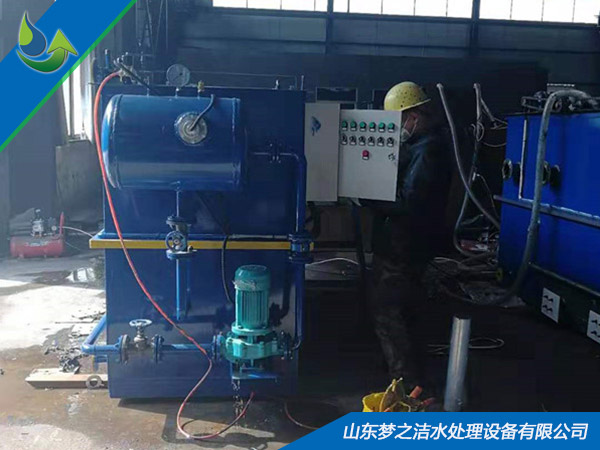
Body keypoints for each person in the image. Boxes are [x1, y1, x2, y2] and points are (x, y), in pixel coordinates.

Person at [368, 81, 452, 387]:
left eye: (398, 120)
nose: (397, 128)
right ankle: (410, 378)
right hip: (407, 246)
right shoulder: (421, 146)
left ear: (414, 116)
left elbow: (408, 202)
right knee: (406, 312)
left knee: (388, 314)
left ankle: (405, 386)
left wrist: (367, 197)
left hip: (403, 248)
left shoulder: (428, 150)